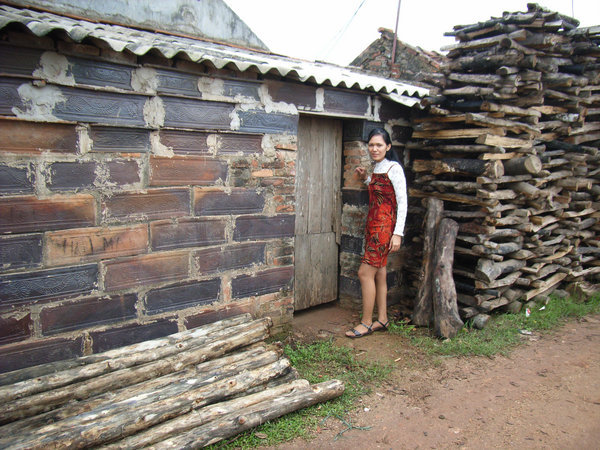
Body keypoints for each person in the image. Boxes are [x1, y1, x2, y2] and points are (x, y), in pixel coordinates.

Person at [346, 127, 407, 338]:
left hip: (384, 229)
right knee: (379, 273)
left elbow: (402, 201)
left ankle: (366, 322)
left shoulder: (394, 168)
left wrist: (397, 233)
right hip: (373, 226)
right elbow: (380, 192)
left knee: (364, 273)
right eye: (371, 145)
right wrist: (366, 179)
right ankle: (382, 318)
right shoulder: (378, 167)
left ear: (388, 147)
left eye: (379, 145)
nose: (374, 148)